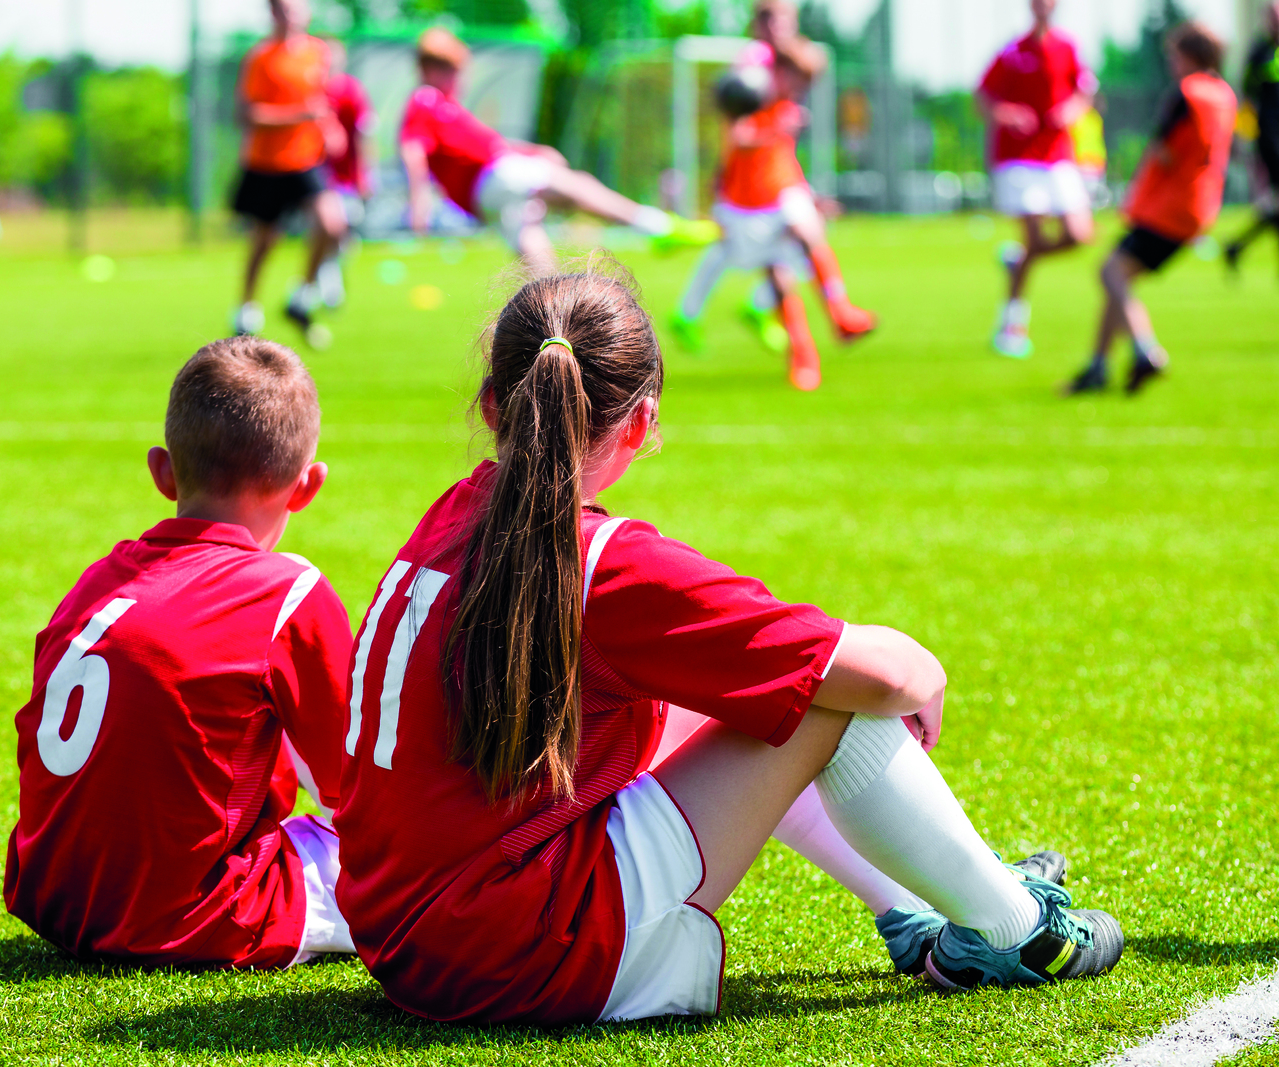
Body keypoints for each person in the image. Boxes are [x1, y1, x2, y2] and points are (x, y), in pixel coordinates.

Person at [332, 260, 1124, 1024]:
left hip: (402, 932)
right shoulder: (604, 562)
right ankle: (1020, 931)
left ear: (491, 405)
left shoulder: (453, 512)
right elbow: (880, 677)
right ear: (642, 423)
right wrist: (926, 665)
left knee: (722, 695)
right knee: (821, 700)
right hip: (512, 949)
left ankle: (916, 910)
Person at [4, 337, 356, 969]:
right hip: (190, 912)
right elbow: (350, 791)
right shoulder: (286, 589)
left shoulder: (98, 580)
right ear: (307, 487)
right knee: (412, 866)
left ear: (162, 472)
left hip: (51, 898)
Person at [400, 27, 718, 277]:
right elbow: (414, 151)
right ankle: (658, 227)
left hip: (484, 198)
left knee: (538, 260)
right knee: (576, 185)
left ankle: (553, 325)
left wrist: (533, 151)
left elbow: (484, 146)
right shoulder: (425, 99)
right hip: (494, 178)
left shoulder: (446, 108)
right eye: (457, 72)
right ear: (434, 70)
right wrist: (419, 201)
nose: (461, 81)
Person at [671, 37, 876, 392]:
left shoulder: (786, 104)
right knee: (779, 276)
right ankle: (803, 355)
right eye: (798, 80)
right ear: (780, 71)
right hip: (746, 203)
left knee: (808, 229)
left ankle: (841, 312)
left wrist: (810, 194)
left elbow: (784, 157)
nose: (800, 90)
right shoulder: (750, 92)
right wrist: (773, 129)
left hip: (780, 192)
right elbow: (738, 136)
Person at [1065, 23, 1237, 397]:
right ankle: (1097, 367)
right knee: (1120, 277)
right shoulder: (1224, 95)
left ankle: (1146, 350)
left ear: (1189, 55)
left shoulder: (1187, 92)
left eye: (1174, 54)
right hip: (1200, 206)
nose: (1171, 62)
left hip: (1169, 206)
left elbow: (1164, 149)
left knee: (1110, 273)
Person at [978, 0, 1098, 359]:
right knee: (1033, 237)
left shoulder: (1068, 47)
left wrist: (1070, 111)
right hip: (1018, 158)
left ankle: (1017, 261)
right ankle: (1012, 325)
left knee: (1080, 235)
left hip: (1057, 154)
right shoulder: (1012, 52)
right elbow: (983, 99)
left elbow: (1084, 93)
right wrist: (1008, 114)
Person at [231, 0, 345, 350]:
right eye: (282, 8)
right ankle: (246, 308)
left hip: (305, 159)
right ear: (272, 13)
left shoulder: (318, 53)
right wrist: (298, 115)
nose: (290, 14)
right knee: (264, 241)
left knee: (332, 224)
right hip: (267, 162)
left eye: (295, 7)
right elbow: (247, 115)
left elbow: (320, 104)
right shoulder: (260, 57)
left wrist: (331, 129)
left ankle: (302, 295)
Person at [1224, 1, 1279, 286]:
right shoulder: (1259, 52)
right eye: (1275, 18)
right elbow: (1247, 98)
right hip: (1269, 136)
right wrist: (1242, 137)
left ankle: (1237, 248)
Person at [313, 36, 375, 313]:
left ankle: (329, 271)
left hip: (346, 178)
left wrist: (364, 175)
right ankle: (326, 282)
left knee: (342, 233)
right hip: (317, 176)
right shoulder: (311, 91)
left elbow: (363, 135)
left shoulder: (352, 90)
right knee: (327, 227)